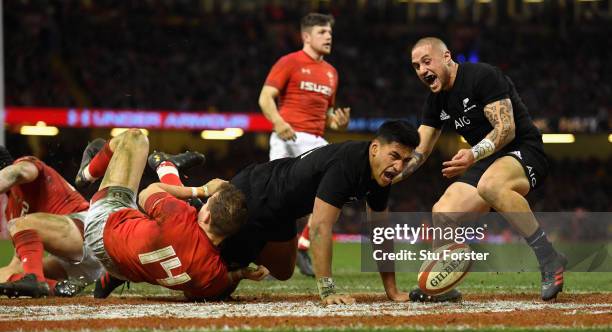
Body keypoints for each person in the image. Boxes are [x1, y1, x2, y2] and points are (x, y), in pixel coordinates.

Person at [153, 121, 417, 305]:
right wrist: (327, 290)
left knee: (283, 271)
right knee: (202, 292)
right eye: (394, 155)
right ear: (374, 148)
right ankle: (170, 172)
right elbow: (320, 228)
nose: (399, 166)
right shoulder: (347, 165)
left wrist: (392, 291)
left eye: (405, 161)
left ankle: (234, 255)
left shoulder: (381, 176)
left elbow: (380, 233)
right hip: (253, 200)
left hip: (282, 211)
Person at [397, 37, 565, 302]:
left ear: (447, 57)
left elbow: (506, 129)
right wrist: (389, 173)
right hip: (487, 160)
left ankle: (549, 257)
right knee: (443, 212)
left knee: (490, 185)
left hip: (524, 149)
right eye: (416, 66)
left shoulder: (482, 76)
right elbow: (420, 149)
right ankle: (442, 287)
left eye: (426, 62)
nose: (421, 70)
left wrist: (473, 154)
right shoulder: (436, 100)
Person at [72, 130, 268, 301]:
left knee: (134, 138)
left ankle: (87, 174)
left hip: (103, 227)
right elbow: (199, 293)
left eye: (206, 206)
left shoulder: (180, 218)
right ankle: (168, 165)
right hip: (125, 267)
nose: (202, 208)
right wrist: (242, 273)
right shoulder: (212, 273)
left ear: (207, 217)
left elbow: (146, 193)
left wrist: (202, 190)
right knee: (173, 217)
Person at [258, 13, 350, 277]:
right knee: (273, 197)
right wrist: (278, 123)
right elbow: (265, 98)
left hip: (314, 138)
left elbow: (327, 116)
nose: (328, 36)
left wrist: (338, 123)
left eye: (330, 32)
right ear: (306, 36)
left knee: (336, 190)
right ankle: (266, 255)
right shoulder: (289, 62)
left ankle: (303, 244)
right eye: (322, 32)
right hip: (287, 136)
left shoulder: (332, 73)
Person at [0, 146, 103, 297]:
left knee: (19, 223)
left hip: (89, 233)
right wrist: (12, 274)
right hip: (75, 263)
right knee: (9, 272)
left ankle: (36, 280)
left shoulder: (25, 165)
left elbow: (17, 172)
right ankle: (57, 287)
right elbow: (19, 263)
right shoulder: (10, 210)